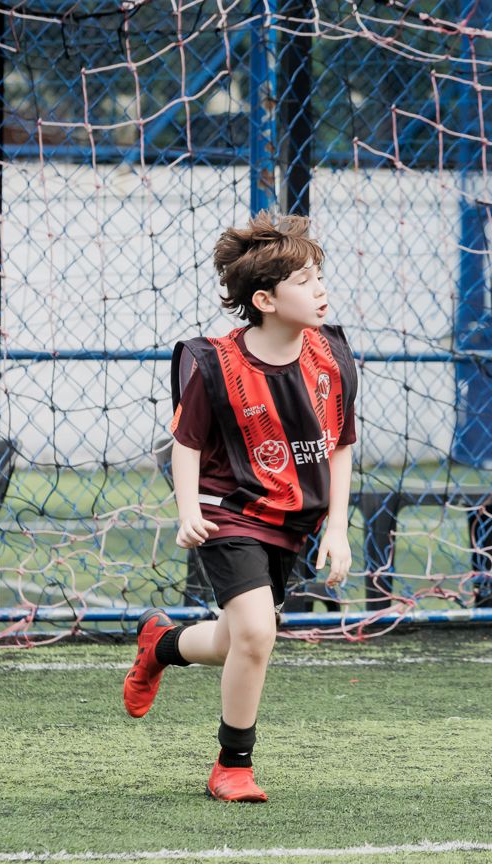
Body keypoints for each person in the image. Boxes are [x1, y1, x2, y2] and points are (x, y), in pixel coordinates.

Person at [122, 211, 356, 803]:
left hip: (291, 521)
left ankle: (160, 644)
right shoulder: (215, 365)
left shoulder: (331, 358)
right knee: (256, 634)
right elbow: (186, 443)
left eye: (319, 276)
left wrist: (337, 528)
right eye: (304, 281)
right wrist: (187, 510)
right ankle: (233, 765)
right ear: (265, 300)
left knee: (236, 642)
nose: (320, 289)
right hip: (227, 511)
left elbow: (340, 445)